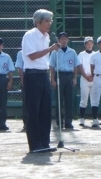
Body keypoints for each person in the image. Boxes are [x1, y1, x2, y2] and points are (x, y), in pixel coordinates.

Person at [22, 9, 59, 153]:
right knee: (34, 111)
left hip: (44, 74)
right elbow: (32, 56)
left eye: (50, 21)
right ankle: (35, 144)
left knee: (45, 110)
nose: (49, 24)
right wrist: (50, 49)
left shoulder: (47, 36)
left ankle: (45, 142)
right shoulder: (30, 35)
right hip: (32, 75)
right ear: (38, 22)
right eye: (47, 21)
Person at [49, 32, 80, 129]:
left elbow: (75, 66)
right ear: (59, 40)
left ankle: (68, 121)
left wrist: (74, 78)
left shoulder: (72, 52)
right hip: (59, 75)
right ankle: (59, 121)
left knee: (69, 100)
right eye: (62, 39)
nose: (63, 41)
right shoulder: (55, 52)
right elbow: (52, 67)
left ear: (68, 40)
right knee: (59, 99)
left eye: (65, 39)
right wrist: (52, 79)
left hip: (69, 75)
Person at [78, 37, 95, 126]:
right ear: (85, 45)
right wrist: (86, 76)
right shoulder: (81, 54)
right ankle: (81, 119)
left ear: (93, 44)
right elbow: (79, 67)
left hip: (94, 79)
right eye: (87, 43)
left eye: (91, 43)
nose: (89, 45)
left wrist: (93, 76)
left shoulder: (96, 54)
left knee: (94, 100)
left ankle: (95, 118)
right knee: (84, 100)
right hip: (84, 79)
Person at [15, 50, 27, 130]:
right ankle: (26, 122)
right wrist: (22, 80)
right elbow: (20, 68)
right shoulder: (21, 53)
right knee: (26, 101)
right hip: (27, 75)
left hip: (38, 75)